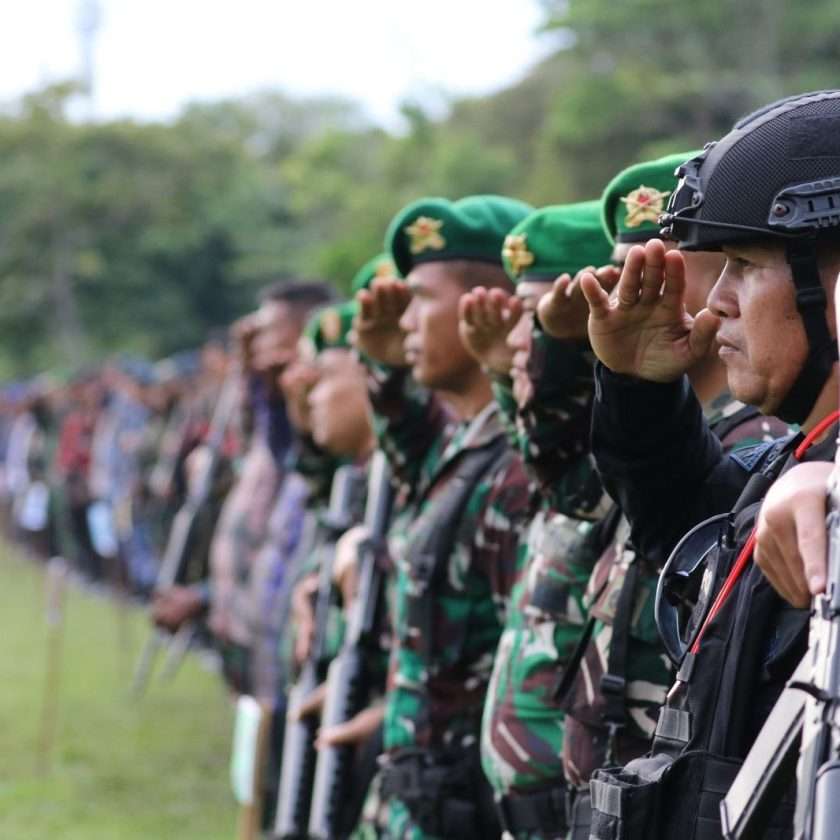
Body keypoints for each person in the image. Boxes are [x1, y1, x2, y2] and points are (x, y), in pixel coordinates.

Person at [580, 90, 840, 840]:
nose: (715, 303)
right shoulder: (791, 460)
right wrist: (639, 391)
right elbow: (689, 521)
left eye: (745, 265)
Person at [352, 195, 533, 839]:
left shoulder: (521, 467)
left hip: (466, 807)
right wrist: (384, 369)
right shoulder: (462, 444)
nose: (405, 322)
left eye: (422, 300)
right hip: (417, 796)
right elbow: (412, 462)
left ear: (487, 307)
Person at [458, 201, 613, 839]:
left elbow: (565, 470)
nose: (522, 341)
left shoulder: (622, 472)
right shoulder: (575, 469)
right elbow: (545, 462)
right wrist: (509, 378)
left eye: (543, 320)